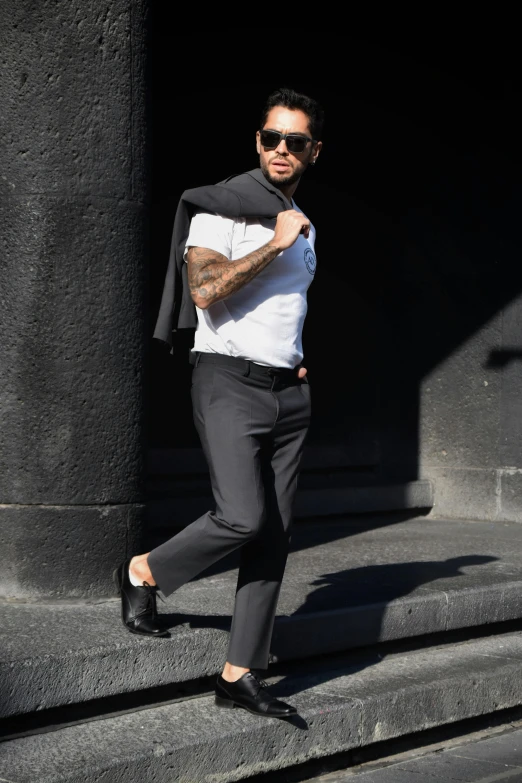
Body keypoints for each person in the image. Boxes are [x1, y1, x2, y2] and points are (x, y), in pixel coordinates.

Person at [114, 86, 323, 718]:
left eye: (296, 141)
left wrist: (295, 356)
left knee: (274, 536)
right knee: (241, 517)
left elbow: (287, 305)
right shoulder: (220, 211)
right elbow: (205, 292)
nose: (281, 150)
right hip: (228, 382)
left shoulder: (305, 222)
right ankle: (144, 572)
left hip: (289, 390)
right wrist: (277, 241)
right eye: (271, 138)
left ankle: (239, 673)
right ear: (257, 142)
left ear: (315, 150)